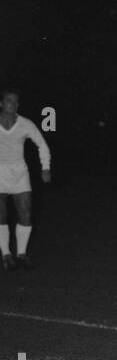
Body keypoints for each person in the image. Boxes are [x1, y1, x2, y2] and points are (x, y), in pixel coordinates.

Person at [0, 89, 51, 270]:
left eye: (15, 102)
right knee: (1, 215)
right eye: (8, 100)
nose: (12, 104)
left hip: (20, 174)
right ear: (1, 103)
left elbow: (42, 145)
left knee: (26, 214)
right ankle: (6, 254)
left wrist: (45, 167)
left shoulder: (25, 124)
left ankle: (21, 253)